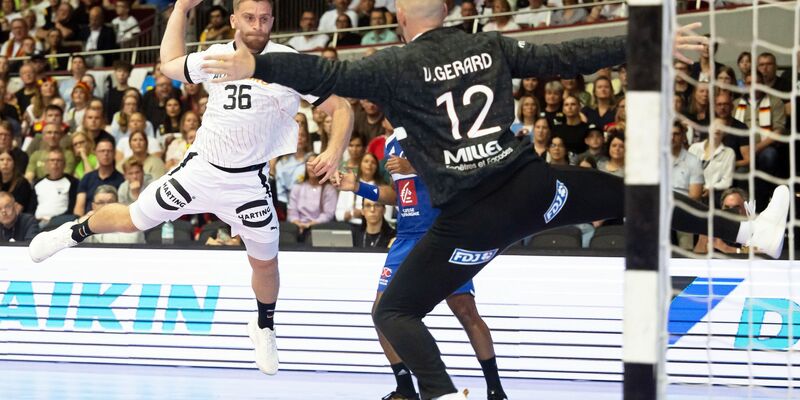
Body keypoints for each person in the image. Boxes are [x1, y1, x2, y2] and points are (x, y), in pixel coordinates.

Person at [166, 5, 792, 399]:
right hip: (533, 191)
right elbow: (564, 57)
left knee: (394, 313)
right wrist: (644, 39)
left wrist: (260, 63)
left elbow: (330, 79)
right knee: (634, 194)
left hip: (474, 219)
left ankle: (441, 396)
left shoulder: (394, 64)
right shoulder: (488, 46)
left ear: (406, 20)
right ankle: (746, 235)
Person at [29, 0, 354, 382]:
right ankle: (70, 232)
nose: (257, 26)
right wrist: (182, 8)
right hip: (200, 170)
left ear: (273, 21)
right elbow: (169, 63)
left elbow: (343, 108)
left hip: (248, 182)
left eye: (264, 19)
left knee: (265, 261)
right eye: (249, 18)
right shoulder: (216, 56)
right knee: (134, 219)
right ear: (234, 20)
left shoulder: (290, 63)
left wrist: (334, 150)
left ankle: (264, 326)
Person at [338, 128, 507, 399]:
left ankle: (495, 389)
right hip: (406, 236)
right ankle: (405, 388)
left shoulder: (433, 127)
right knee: (380, 312)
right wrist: (358, 187)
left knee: (465, 310)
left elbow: (459, 172)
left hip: (441, 232)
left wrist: (413, 166)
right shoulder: (391, 142)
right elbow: (398, 194)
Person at [286, 154, 337, 239]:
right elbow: (292, 212)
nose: (313, 167)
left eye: (316, 164)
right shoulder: (297, 187)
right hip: (297, 226)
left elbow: (328, 214)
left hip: (319, 227)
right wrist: (298, 224)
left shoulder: (328, 189)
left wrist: (309, 225)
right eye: (310, 164)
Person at [72, 136, 123, 217]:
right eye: (102, 151)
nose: (105, 154)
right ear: (96, 153)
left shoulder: (122, 179)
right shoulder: (87, 178)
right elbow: (79, 208)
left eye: (109, 151)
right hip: (88, 222)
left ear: (114, 154)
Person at [30, 148, 79, 227]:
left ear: (64, 164)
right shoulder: (37, 183)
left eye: (59, 160)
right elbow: (31, 208)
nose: (55, 163)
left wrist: (52, 220)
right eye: (52, 160)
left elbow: (72, 208)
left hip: (61, 223)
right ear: (46, 164)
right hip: (37, 222)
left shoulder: (73, 182)